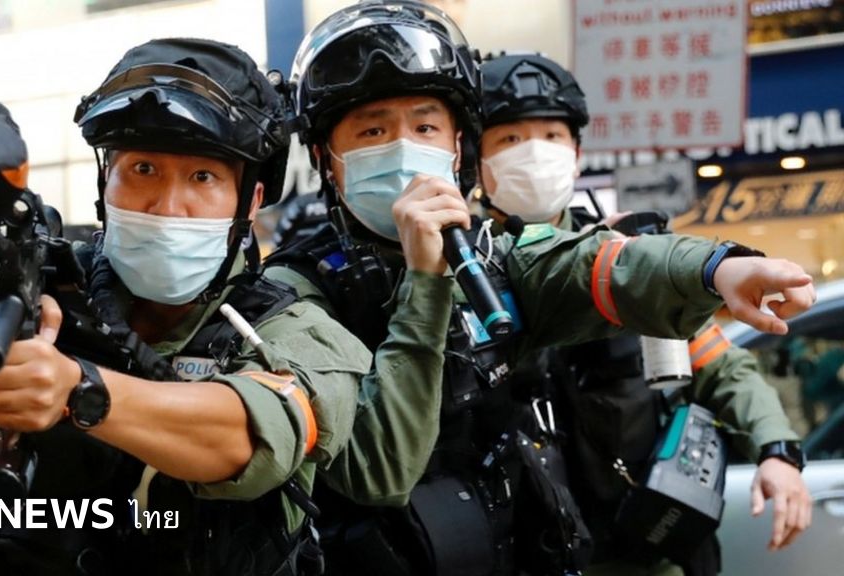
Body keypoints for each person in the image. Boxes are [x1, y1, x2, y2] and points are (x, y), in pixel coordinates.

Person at [263, 1, 815, 575]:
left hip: (602, 536)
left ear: (456, 148)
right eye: (373, 130)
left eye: (424, 127)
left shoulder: (495, 256)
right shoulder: (297, 292)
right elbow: (378, 470)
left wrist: (718, 268)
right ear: (326, 157)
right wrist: (425, 284)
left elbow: (608, 266)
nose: (403, 148)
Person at [0, 38, 373, 576]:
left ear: (251, 201)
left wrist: (76, 388)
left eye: (202, 177)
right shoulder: (48, 281)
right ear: (105, 178)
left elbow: (247, 438)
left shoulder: (296, 326)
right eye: (143, 170)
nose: (167, 206)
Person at [478, 52, 812, 575]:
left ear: (577, 154)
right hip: (523, 553)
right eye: (510, 139)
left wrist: (777, 449)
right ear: (474, 159)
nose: (534, 153)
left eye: (552, 135)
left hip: (640, 545)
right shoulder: (456, 270)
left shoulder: (632, 259)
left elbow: (722, 368)